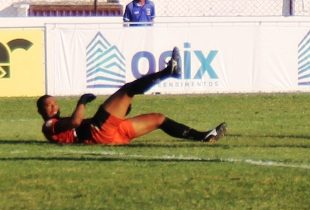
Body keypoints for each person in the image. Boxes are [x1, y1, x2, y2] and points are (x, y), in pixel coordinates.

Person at [37, 47, 226, 145]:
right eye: (49, 105)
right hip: (98, 131)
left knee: (159, 119)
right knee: (128, 90)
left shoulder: (55, 124)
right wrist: (82, 102)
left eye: (54, 102)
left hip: (110, 135)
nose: (54, 106)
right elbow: (76, 123)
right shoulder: (49, 125)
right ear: (41, 111)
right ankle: (169, 72)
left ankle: (203, 137)